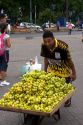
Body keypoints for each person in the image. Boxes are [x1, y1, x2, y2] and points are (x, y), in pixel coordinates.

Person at [40, 31, 76, 107]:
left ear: (53, 39)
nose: (47, 44)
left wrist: (74, 73)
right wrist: (45, 72)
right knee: (52, 89)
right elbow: (46, 59)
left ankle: (67, 100)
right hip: (52, 70)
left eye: (49, 41)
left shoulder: (63, 46)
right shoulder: (44, 46)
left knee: (66, 90)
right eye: (45, 41)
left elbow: (69, 61)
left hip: (64, 72)